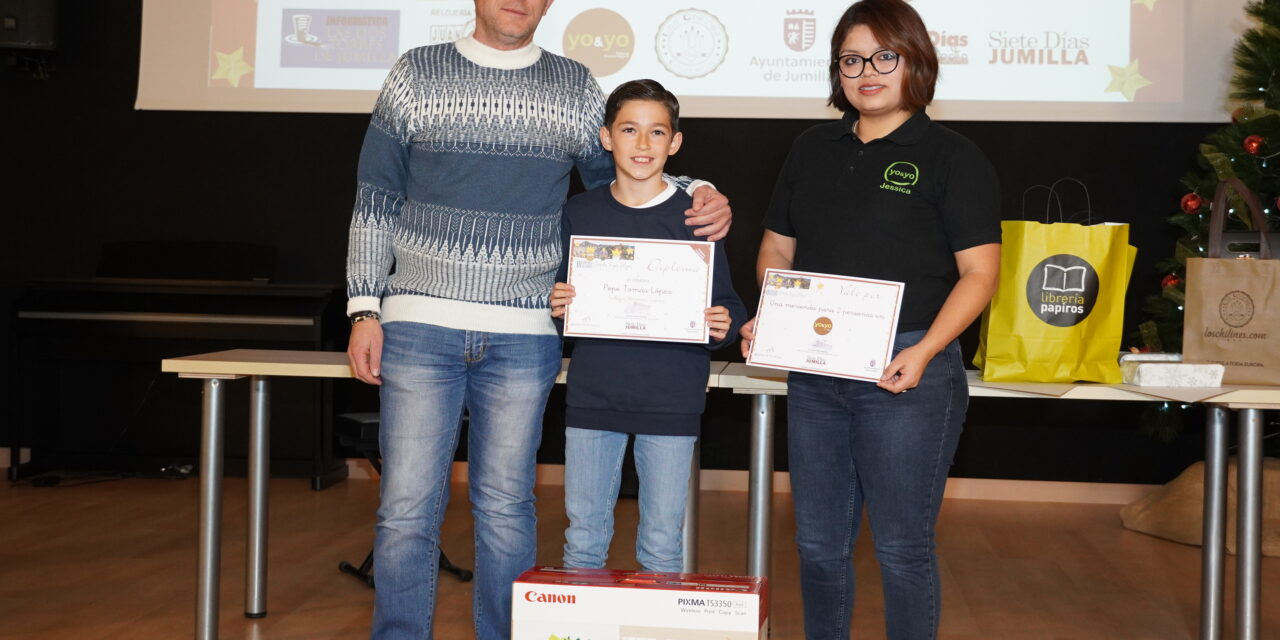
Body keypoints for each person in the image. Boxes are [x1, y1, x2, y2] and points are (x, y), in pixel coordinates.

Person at [343, 1, 733, 637]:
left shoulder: (575, 86)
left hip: (525, 334)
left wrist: (700, 187)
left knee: (506, 509)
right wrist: (363, 305)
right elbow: (375, 195)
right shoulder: (416, 72)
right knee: (406, 510)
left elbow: (627, 174)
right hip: (417, 325)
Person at [739, 1, 1001, 638]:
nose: (868, 71)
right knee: (818, 547)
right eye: (852, 59)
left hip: (905, 372)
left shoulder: (952, 156)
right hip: (817, 373)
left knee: (901, 551)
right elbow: (777, 248)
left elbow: (980, 275)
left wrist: (929, 350)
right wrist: (777, 313)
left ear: (915, 61)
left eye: (886, 56)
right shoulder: (810, 147)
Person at [548, 80, 747, 574]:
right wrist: (554, 302)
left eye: (656, 132)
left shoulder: (696, 218)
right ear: (605, 137)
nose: (642, 144)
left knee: (661, 544)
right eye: (629, 130)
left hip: (671, 398)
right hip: (594, 396)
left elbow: (727, 305)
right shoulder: (578, 213)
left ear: (674, 143)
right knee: (583, 540)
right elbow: (554, 302)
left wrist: (722, 325)